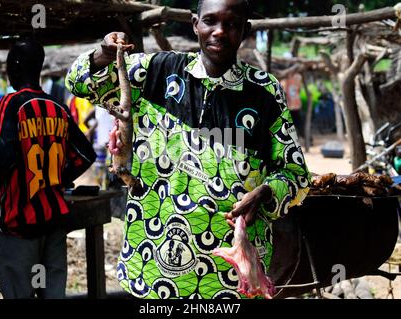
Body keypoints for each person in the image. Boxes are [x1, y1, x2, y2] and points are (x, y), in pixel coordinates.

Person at [66, 0, 311, 299]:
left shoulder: (264, 91)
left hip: (230, 278)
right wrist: (105, 52)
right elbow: (79, 82)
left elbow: (295, 174)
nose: (219, 32)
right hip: (155, 266)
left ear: (245, 30)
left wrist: (267, 192)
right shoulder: (156, 71)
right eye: (210, 21)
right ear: (195, 24)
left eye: (231, 24)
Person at [0, 39, 96, 299]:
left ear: (14, 66)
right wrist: (55, 178)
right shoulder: (57, 107)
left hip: (19, 224)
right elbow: (85, 154)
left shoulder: (11, 103)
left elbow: (1, 157)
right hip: (54, 220)